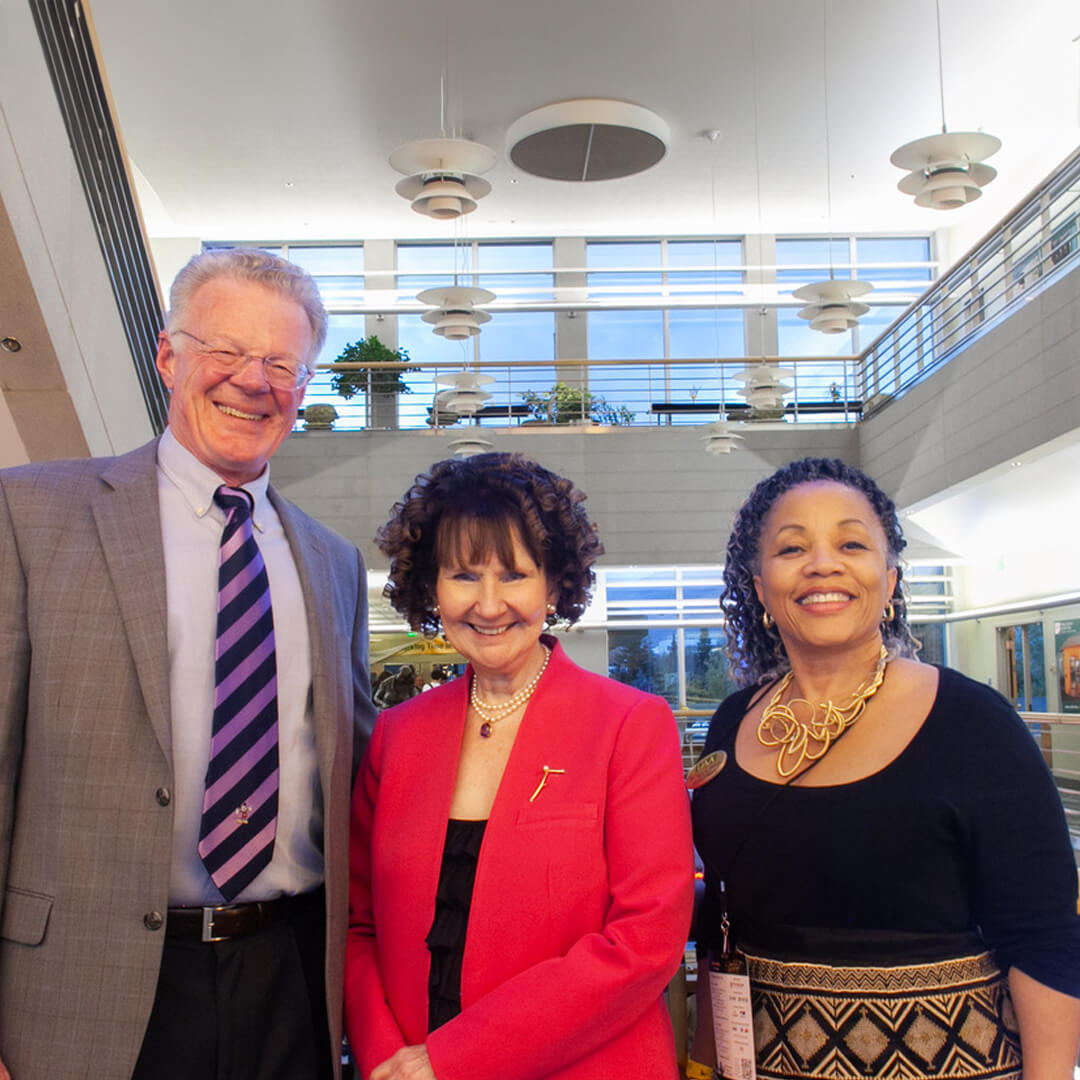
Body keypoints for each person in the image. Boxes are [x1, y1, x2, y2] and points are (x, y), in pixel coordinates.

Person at [0, 248, 375, 1080]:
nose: (253, 380)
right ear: (169, 356)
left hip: (289, 982)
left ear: (304, 387)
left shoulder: (332, 561)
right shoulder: (30, 515)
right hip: (79, 993)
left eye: (281, 362)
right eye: (225, 351)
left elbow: (357, 780)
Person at [688, 457, 1080, 1080]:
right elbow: (721, 931)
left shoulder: (976, 724)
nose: (823, 563)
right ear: (760, 587)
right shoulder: (732, 722)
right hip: (761, 1062)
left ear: (889, 577)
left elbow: (1044, 937)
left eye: (851, 542)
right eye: (792, 548)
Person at [345, 452, 694, 1080]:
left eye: (513, 574)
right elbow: (356, 923)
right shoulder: (396, 735)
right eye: (462, 575)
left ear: (554, 583)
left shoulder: (627, 726)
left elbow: (646, 942)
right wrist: (385, 1061)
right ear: (431, 586)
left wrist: (450, 1061)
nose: (487, 604)